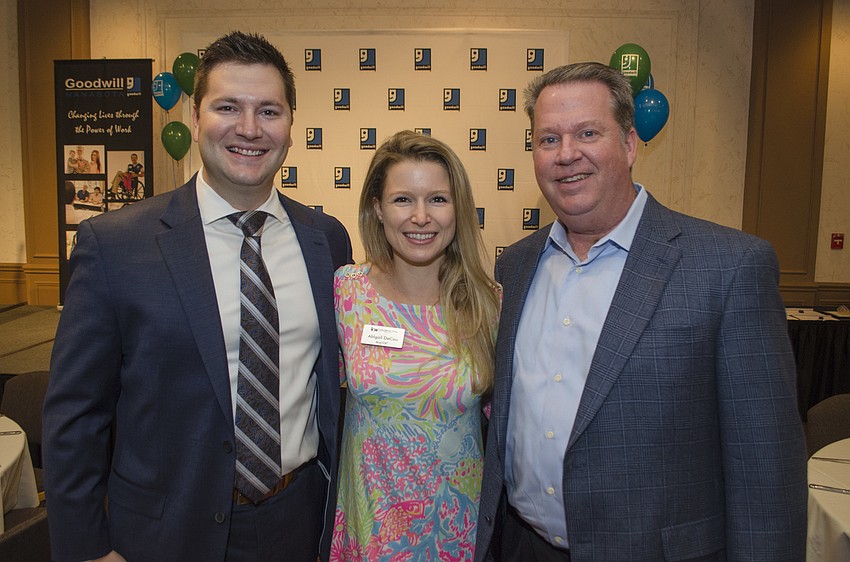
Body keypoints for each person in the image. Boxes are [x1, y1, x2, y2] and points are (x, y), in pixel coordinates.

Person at [474, 62, 807, 561]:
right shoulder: (516, 266)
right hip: (521, 546)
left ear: (630, 144)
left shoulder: (728, 268)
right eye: (548, 139)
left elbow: (766, 471)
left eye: (588, 132)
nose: (567, 154)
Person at [44, 31, 352, 562]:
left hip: (299, 520)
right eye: (228, 106)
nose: (249, 129)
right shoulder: (113, 245)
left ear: (291, 125)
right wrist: (87, 548)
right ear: (195, 116)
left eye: (269, 111)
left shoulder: (327, 239)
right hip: (164, 533)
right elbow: (76, 412)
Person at [331, 130, 500, 560]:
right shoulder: (347, 292)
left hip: (455, 534)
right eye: (403, 199)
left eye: (438, 200)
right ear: (378, 209)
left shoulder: (489, 304)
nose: (421, 217)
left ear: (458, 210)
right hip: (370, 533)